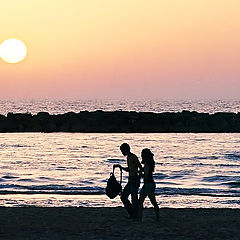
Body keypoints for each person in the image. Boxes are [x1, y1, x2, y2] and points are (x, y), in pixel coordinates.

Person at [114, 143, 143, 220]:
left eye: (122, 151)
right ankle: (132, 213)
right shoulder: (128, 158)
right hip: (130, 180)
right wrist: (121, 167)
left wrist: (139, 176)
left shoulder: (133, 157)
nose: (122, 153)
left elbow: (140, 168)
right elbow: (129, 169)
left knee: (134, 198)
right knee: (123, 196)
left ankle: (135, 215)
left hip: (135, 179)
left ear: (125, 150)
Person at [139, 148, 159, 221]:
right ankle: (157, 217)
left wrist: (140, 175)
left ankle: (140, 217)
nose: (141, 155)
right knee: (152, 201)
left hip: (148, 185)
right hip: (150, 184)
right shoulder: (149, 163)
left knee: (141, 201)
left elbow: (146, 175)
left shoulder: (147, 164)